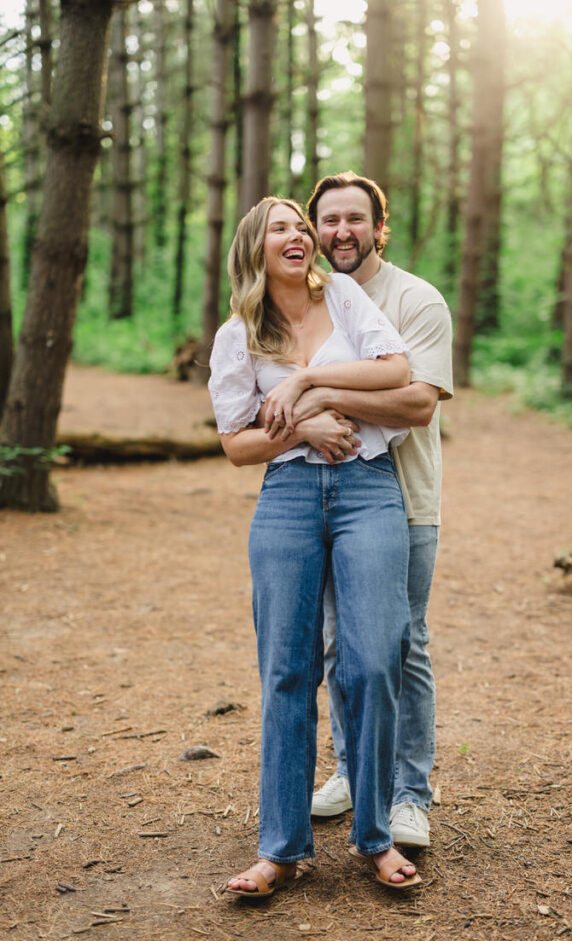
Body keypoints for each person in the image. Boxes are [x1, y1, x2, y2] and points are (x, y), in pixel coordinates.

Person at [208, 196, 423, 895]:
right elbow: (238, 445)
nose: (299, 236)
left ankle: (374, 838)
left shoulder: (349, 297)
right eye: (282, 229)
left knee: (369, 662)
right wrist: (301, 429)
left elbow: (395, 371)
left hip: (368, 490)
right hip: (288, 498)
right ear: (256, 250)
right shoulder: (236, 335)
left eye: (302, 226)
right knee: (287, 672)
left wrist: (303, 382)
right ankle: (280, 848)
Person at [295, 172, 453, 849]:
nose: (341, 232)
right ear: (313, 232)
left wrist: (320, 390)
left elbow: (418, 403)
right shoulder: (306, 301)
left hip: (406, 497)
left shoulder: (416, 299)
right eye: (328, 220)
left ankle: (409, 793)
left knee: (399, 642)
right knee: (336, 641)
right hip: (322, 495)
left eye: (355, 219)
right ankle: (352, 772)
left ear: (377, 228)